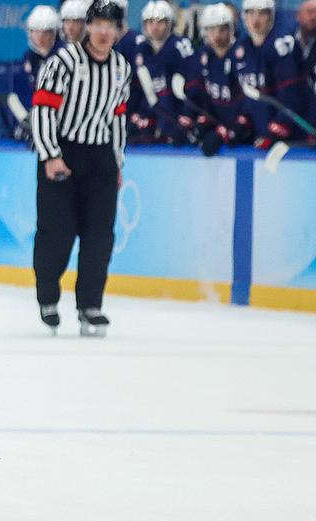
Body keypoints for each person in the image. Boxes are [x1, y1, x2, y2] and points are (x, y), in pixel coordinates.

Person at [30, 0, 131, 337]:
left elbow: (117, 117)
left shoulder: (121, 67)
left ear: (119, 31)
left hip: (100, 157)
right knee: (56, 234)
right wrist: (50, 155)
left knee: (99, 236)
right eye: (98, 24)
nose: (104, 32)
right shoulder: (65, 62)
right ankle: (48, 296)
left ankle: (90, 304)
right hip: (64, 153)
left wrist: (116, 161)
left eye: (110, 26)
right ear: (88, 26)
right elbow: (43, 109)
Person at [233, 0, 309, 148]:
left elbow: (291, 97)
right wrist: (242, 123)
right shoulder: (242, 49)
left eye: (262, 13)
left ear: (271, 17)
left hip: (291, 142)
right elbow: (245, 98)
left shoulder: (283, 47)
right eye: (251, 13)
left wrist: (276, 131)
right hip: (260, 137)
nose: (256, 19)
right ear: (244, 17)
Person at [129, 1, 199, 144]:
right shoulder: (141, 49)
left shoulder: (181, 46)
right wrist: (139, 114)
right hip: (155, 119)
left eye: (160, 21)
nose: (154, 26)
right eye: (150, 22)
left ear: (170, 23)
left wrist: (187, 113)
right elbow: (139, 90)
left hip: (178, 118)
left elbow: (194, 84)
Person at [190, 3, 255, 154]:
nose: (217, 35)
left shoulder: (244, 55)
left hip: (246, 134)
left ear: (231, 29)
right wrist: (203, 123)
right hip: (220, 125)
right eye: (211, 30)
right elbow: (203, 97)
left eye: (222, 29)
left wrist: (226, 132)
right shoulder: (203, 57)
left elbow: (251, 104)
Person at [12, 6, 64, 141]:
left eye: (46, 32)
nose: (40, 37)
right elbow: (20, 93)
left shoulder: (64, 57)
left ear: (55, 33)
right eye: (36, 31)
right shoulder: (28, 58)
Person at [296, 0, 316, 130]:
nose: (314, 17)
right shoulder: (283, 42)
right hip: (291, 121)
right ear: (298, 15)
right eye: (309, 12)